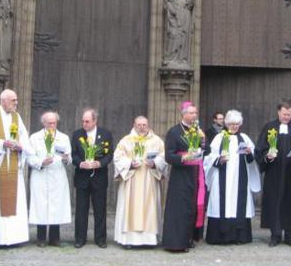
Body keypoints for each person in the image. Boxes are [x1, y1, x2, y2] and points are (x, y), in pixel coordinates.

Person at [254, 102, 291, 247]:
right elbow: (260, 149)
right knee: (275, 203)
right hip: (274, 173)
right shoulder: (269, 127)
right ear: (278, 112)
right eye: (284, 114)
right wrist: (267, 156)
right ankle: (275, 235)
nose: (287, 117)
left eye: (289, 114)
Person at [203, 110, 260, 244]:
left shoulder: (245, 138)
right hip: (221, 177)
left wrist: (249, 153)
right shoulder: (219, 138)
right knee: (220, 204)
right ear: (227, 124)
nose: (234, 126)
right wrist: (218, 160)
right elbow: (209, 157)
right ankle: (219, 237)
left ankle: (239, 237)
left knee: (239, 204)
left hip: (240, 178)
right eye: (231, 124)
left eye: (236, 124)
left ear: (240, 124)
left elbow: (253, 158)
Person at [113, 116, 167, 247]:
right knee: (130, 207)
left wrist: (154, 163)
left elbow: (164, 157)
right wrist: (130, 164)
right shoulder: (126, 141)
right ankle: (129, 240)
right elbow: (117, 158)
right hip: (131, 181)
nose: (142, 127)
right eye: (139, 125)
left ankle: (149, 240)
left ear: (148, 125)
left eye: (144, 125)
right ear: (134, 125)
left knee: (150, 207)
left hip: (149, 181)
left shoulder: (156, 141)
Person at [0, 89, 32, 246]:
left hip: (13, 163)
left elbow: (25, 139)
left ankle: (15, 237)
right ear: (3, 100)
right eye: (13, 100)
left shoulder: (16, 117)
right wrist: (2, 143)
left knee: (16, 201)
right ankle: (0, 238)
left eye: (16, 100)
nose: (16, 103)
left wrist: (20, 146)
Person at [162, 102, 207, 252]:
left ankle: (188, 238)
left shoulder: (198, 131)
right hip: (180, 175)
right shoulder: (174, 132)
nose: (194, 115)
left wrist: (203, 147)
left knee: (191, 208)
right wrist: (183, 158)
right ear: (184, 114)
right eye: (191, 113)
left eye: (195, 113)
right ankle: (175, 242)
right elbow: (168, 156)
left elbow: (205, 149)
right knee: (179, 208)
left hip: (195, 173)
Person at [27, 111, 72, 247]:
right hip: (41, 175)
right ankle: (41, 238)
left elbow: (69, 157)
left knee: (56, 205)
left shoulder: (63, 137)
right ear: (44, 123)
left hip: (57, 175)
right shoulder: (35, 138)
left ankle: (54, 238)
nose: (52, 125)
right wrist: (41, 162)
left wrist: (66, 158)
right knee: (41, 205)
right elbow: (30, 157)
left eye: (54, 123)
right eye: (49, 123)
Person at [71, 108, 113, 248]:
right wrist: (80, 163)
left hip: (99, 177)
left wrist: (99, 163)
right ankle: (79, 238)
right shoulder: (77, 134)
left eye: (87, 121)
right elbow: (74, 154)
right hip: (82, 176)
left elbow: (109, 155)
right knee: (81, 209)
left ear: (95, 121)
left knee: (100, 209)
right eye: (83, 121)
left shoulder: (105, 134)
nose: (84, 124)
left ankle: (100, 239)